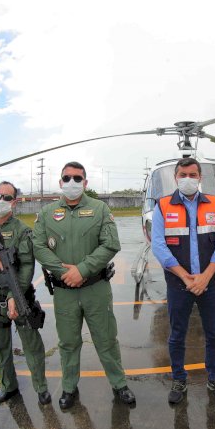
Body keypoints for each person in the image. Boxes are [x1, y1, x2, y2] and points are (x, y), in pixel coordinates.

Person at [32, 162, 135, 409]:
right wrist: (62, 271)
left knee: (106, 338)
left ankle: (119, 383)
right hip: (64, 291)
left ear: (85, 183)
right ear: (60, 182)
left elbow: (110, 244)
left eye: (77, 178)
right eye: (66, 178)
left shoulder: (100, 209)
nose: (72, 183)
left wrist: (82, 270)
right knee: (68, 342)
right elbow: (38, 246)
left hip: (95, 288)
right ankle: (69, 387)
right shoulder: (47, 213)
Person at [151, 157, 215, 404]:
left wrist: (205, 276)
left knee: (214, 334)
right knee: (176, 334)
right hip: (179, 285)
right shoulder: (163, 206)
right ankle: (178, 377)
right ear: (175, 177)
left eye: (193, 174)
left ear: (200, 178)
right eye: (183, 174)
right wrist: (185, 276)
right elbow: (159, 246)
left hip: (210, 284)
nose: (188, 179)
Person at [0, 181, 50, 405]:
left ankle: (41, 388)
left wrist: (15, 296)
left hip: (20, 296)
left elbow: (27, 267)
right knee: (2, 348)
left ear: (14, 202)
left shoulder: (22, 231)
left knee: (32, 345)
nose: (1, 201)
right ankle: (9, 386)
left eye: (7, 197)